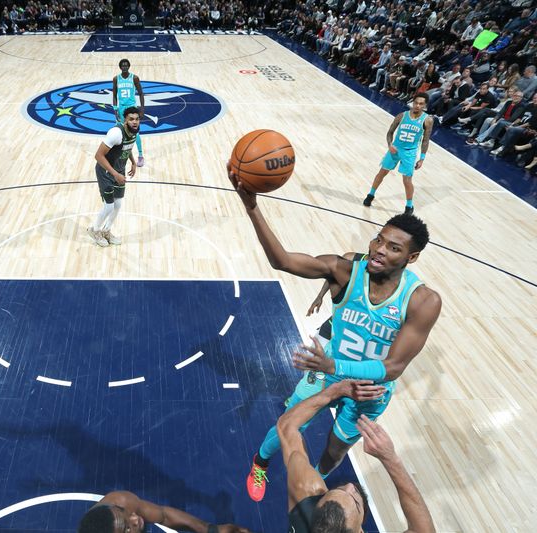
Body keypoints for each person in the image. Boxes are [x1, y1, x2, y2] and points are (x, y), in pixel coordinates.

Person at [228, 168, 442, 503]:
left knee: (335, 448)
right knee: (289, 423)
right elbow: (281, 261)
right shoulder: (345, 269)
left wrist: (334, 366)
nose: (380, 249)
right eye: (378, 239)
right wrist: (252, 206)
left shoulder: (423, 301)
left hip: (370, 391)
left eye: (393, 247)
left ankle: (315, 480)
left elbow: (394, 367)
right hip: (327, 373)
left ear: (411, 257)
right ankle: (260, 461)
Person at [279, 380, 436, 533]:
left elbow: (286, 427)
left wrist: (332, 391)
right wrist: (390, 458)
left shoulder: (305, 490)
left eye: (334, 490)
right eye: (355, 501)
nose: (350, 486)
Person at [363, 92, 433, 214]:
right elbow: (390, 132)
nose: (417, 105)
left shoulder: (427, 120)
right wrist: (390, 145)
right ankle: (370, 195)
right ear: (412, 102)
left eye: (420, 104)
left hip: (409, 153)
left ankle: (409, 206)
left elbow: (425, 140)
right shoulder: (402, 116)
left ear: (424, 105)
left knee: (407, 180)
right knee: (381, 173)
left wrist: (422, 158)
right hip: (395, 148)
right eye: (416, 103)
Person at [87, 106, 139, 247]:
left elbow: (127, 148)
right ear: (125, 120)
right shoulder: (116, 133)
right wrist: (115, 174)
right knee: (109, 206)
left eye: (137, 119)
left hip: (119, 171)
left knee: (118, 204)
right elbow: (98, 156)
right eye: (131, 119)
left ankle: (106, 230)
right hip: (106, 172)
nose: (134, 122)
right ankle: (95, 230)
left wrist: (133, 162)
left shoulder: (134, 132)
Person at [77, 491, 251, 533]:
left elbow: (163, 515)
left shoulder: (120, 500)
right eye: (128, 529)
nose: (136, 519)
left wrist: (211, 529)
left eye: (126, 513)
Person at [112, 58, 145, 167]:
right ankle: (118, 153)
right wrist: (115, 109)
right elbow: (114, 95)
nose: (125, 67)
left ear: (129, 66)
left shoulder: (134, 78)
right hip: (121, 108)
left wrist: (142, 108)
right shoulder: (116, 79)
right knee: (120, 130)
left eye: (126, 65)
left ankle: (140, 155)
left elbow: (141, 93)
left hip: (131, 108)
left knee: (136, 132)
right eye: (123, 65)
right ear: (120, 67)